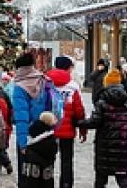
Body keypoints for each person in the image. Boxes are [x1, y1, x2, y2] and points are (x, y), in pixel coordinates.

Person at [78, 68, 127, 188]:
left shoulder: (102, 101)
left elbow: (94, 122)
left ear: (106, 83)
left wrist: (79, 122)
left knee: (101, 179)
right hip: (124, 146)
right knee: (124, 179)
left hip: (105, 146)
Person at [46, 56, 86, 188]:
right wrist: (83, 129)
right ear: (68, 68)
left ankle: (47, 183)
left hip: (48, 129)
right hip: (67, 131)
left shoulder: (46, 83)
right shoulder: (73, 86)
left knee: (47, 160)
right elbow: (79, 110)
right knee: (66, 161)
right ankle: (66, 184)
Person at [12, 53, 48, 185]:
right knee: (44, 173)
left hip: (28, 136)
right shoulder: (43, 80)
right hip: (45, 133)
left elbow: (21, 117)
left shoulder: (19, 87)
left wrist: (22, 143)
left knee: (26, 174)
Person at [21, 112, 59, 188]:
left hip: (31, 171)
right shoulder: (50, 140)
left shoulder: (31, 135)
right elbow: (53, 152)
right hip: (45, 170)